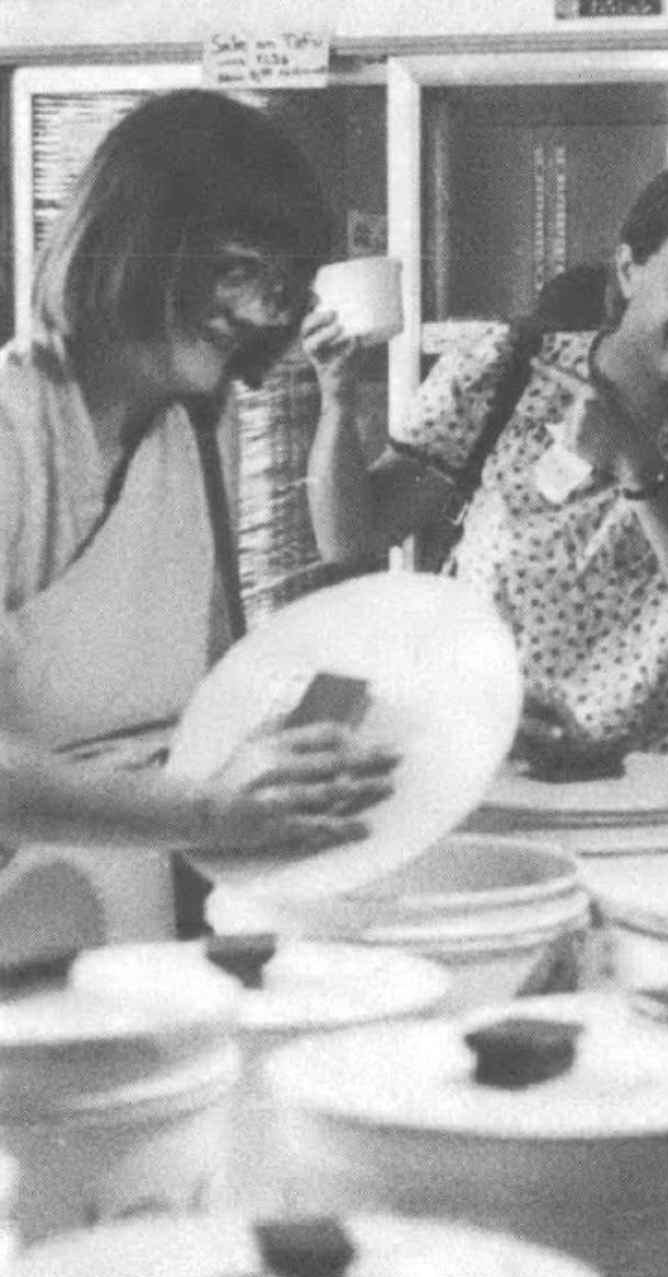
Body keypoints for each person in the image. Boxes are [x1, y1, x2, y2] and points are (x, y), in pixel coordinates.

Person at [0, 89, 398, 932]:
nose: (264, 311)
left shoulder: (190, 430)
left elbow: (219, 691)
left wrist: (433, 704)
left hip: (123, 919)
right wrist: (208, 809)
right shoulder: (14, 430)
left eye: (286, 285)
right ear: (140, 242)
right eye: (238, 268)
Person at [306, 161, 668, 763]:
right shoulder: (507, 368)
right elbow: (352, 538)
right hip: (487, 755)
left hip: (662, 784)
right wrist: (336, 400)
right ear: (629, 269)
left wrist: (639, 470)